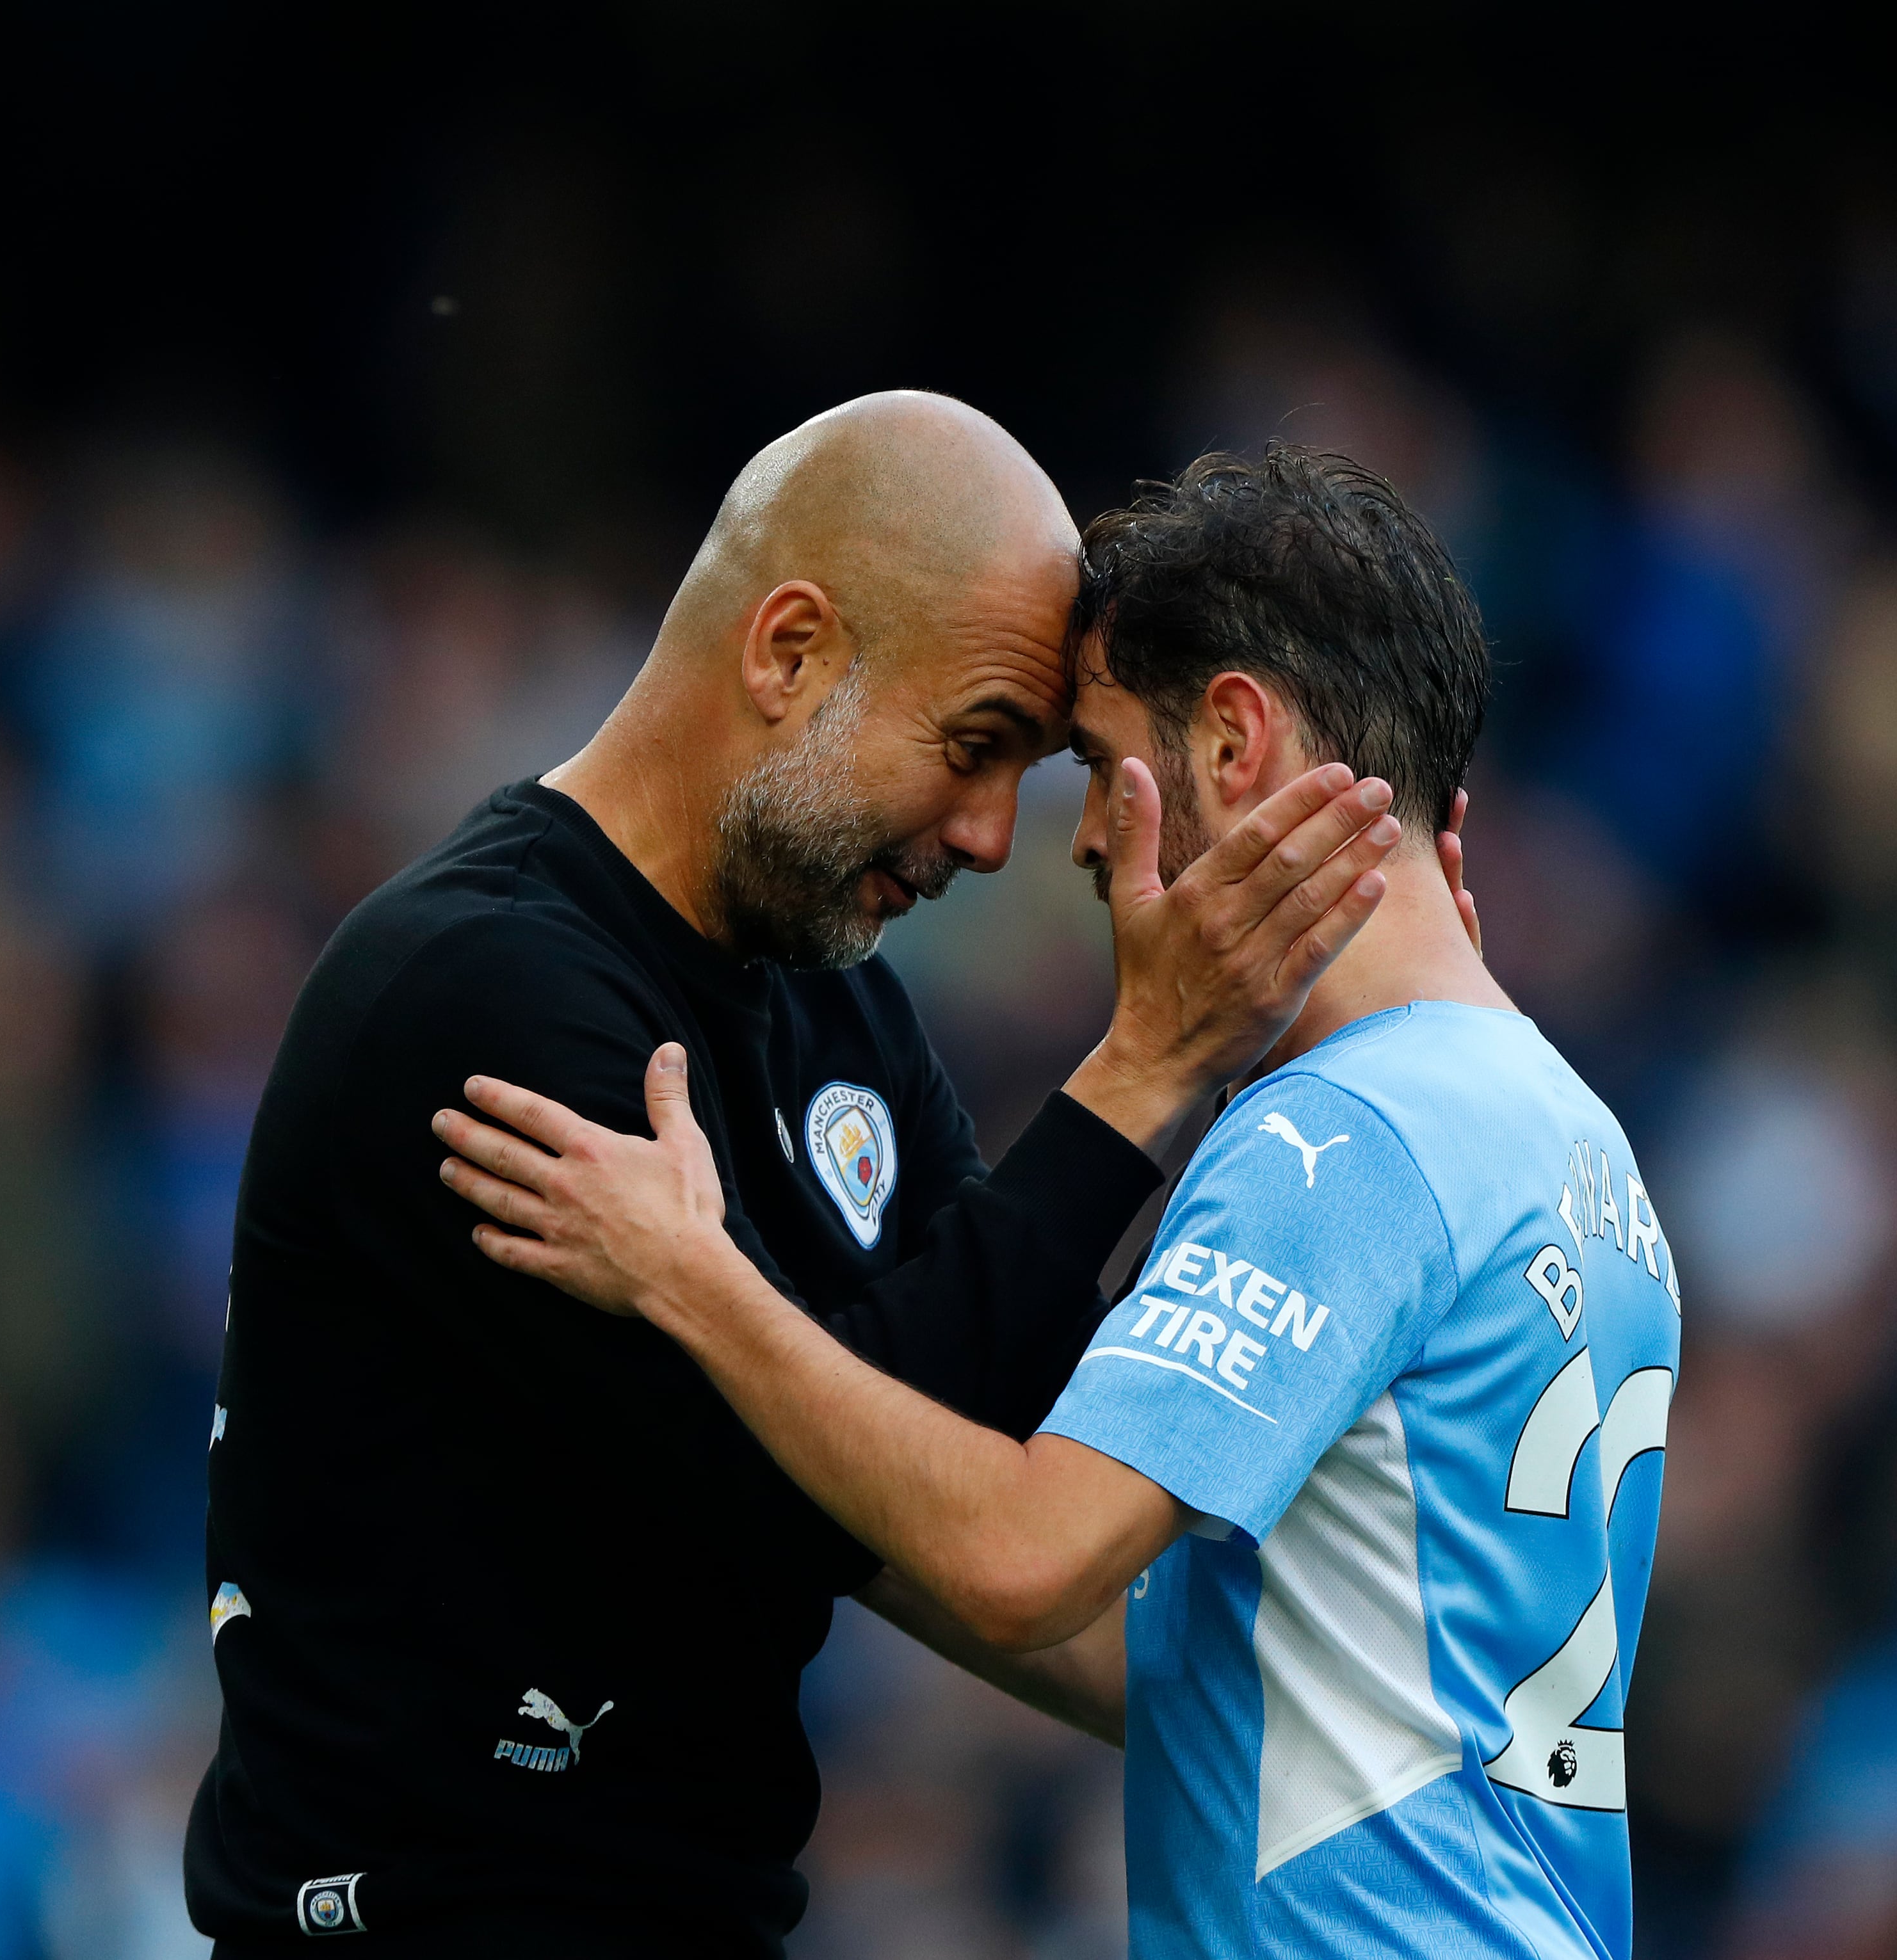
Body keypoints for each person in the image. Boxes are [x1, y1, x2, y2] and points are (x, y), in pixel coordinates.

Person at [187, 396, 1418, 1954]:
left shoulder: (842, 1006)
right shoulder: (477, 996)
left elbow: (947, 1456)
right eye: (974, 749)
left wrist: (1344, 1725)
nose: (990, 837)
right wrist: (1145, 1068)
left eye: (1028, 775)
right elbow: (848, 1502)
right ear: (788, 653)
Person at [435, 444, 1684, 1959]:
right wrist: (763, 1460)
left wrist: (692, 1282)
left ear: (1232, 739)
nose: (1081, 837)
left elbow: (1026, 1561)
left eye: (1094, 761)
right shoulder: (1566, 1134)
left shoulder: (1338, 1139)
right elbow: (1185, 1667)